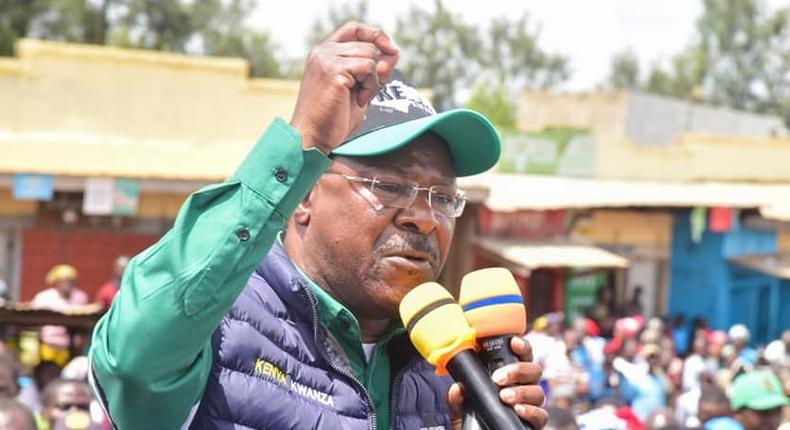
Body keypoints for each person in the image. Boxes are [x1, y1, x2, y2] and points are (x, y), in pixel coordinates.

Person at [88, 22, 547, 430]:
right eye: (387, 186)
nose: (424, 217)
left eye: (442, 197)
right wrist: (304, 137)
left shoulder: (446, 370)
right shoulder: (217, 328)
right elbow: (132, 362)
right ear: (305, 194)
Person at [32, 265, 88, 366]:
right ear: (56, 282)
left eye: (70, 281)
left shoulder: (80, 297)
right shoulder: (44, 297)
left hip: (71, 348)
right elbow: (33, 318)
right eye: (63, 281)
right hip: (48, 345)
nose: (67, 284)